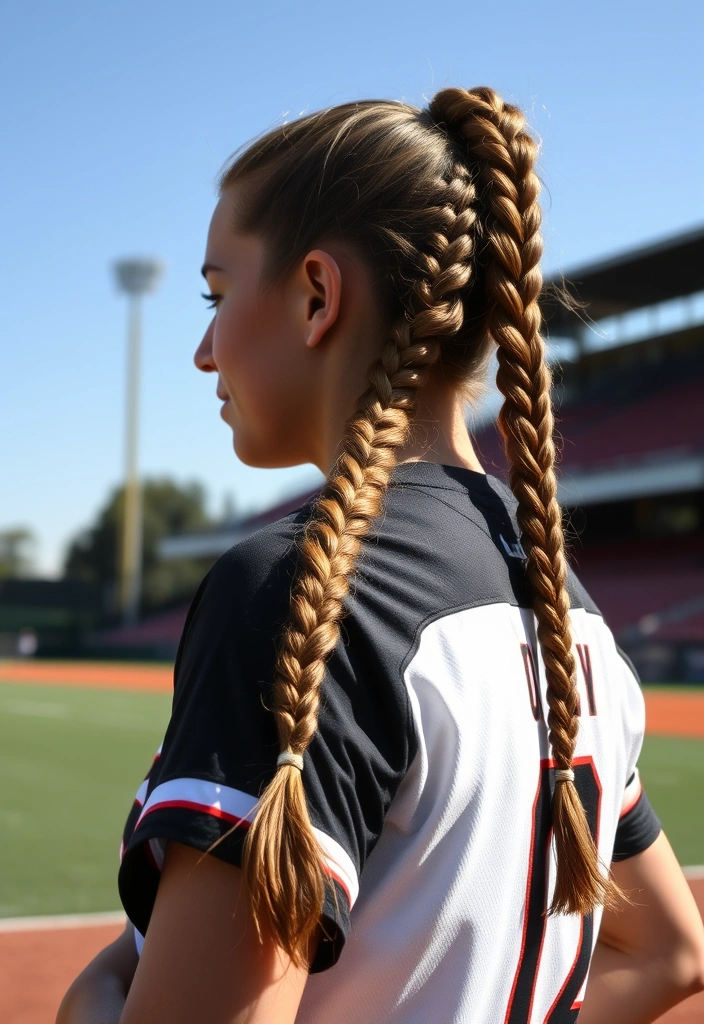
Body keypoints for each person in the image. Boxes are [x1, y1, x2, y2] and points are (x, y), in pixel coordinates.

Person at [57, 86, 704, 1024]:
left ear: (317, 294)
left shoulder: (293, 586)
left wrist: (97, 998)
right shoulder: (573, 614)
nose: (203, 349)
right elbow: (670, 954)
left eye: (218, 293)